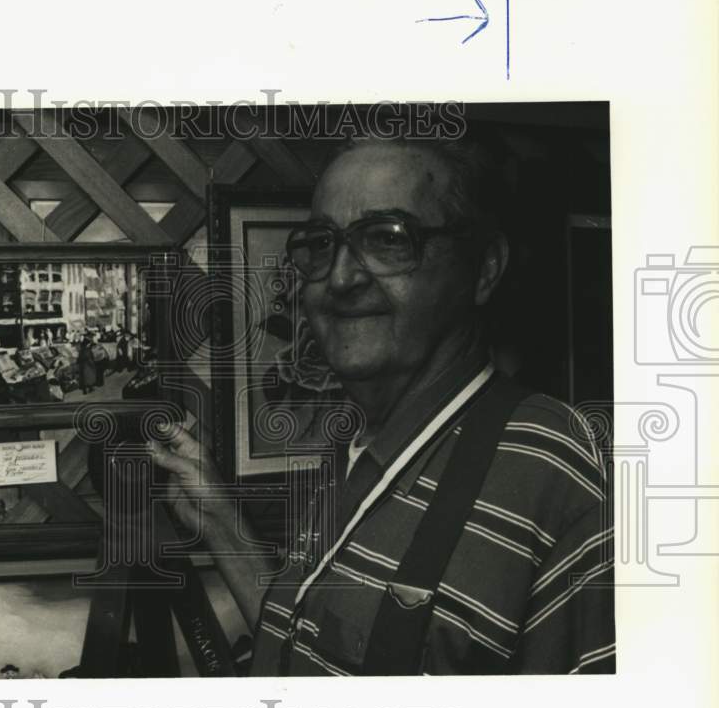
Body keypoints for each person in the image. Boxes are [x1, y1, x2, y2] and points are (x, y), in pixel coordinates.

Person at [149, 137, 614, 676]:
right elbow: (313, 656)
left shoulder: (552, 464)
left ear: (483, 269)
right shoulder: (354, 449)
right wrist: (220, 519)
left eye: (390, 239)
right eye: (322, 243)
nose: (341, 277)